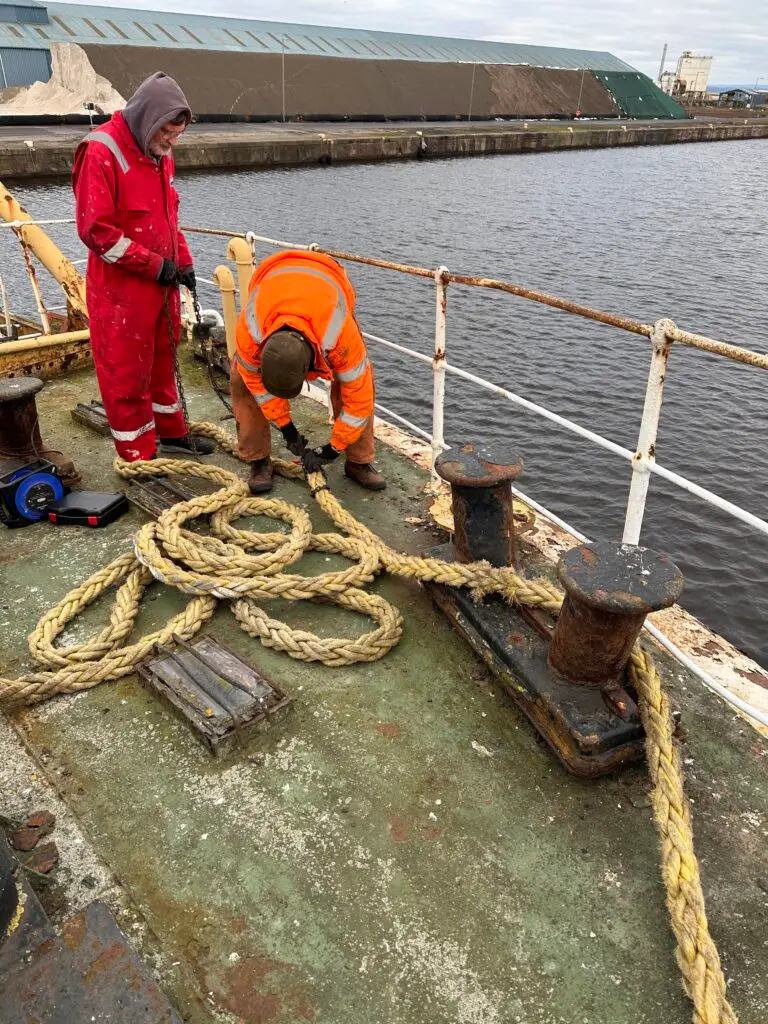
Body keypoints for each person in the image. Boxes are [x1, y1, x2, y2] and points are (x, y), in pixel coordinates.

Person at [72, 72, 214, 461]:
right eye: (167, 132)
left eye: (177, 134)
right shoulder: (100, 151)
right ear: (147, 120)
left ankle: (171, 434)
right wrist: (156, 266)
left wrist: (182, 263)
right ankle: (139, 455)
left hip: (161, 283)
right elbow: (96, 231)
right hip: (121, 292)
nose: (171, 142)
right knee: (127, 376)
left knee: (164, 365)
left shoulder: (159, 154)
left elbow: (169, 216)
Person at [231, 249, 385, 494]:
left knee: (355, 382)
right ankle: (258, 459)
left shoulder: (339, 335)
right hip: (273, 280)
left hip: (328, 283)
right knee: (241, 379)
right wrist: (286, 427)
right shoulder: (250, 333)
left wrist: (332, 449)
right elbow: (256, 383)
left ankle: (359, 461)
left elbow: (359, 399)